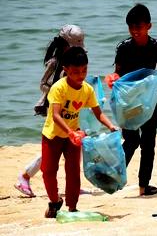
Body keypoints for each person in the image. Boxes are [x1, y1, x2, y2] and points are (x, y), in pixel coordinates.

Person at [41, 46, 118, 218]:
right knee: (48, 171)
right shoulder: (58, 88)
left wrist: (111, 126)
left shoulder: (87, 89)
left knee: (73, 171)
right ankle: (54, 202)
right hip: (53, 134)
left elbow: (98, 113)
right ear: (65, 70)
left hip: (74, 136)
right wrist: (69, 132)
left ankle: (72, 207)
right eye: (76, 72)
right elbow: (55, 115)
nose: (81, 75)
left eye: (84, 70)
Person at [15, 25, 86, 197]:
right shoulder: (54, 63)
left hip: (70, 106)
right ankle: (25, 176)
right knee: (54, 147)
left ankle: (73, 184)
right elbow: (42, 84)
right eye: (73, 47)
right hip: (54, 106)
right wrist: (59, 89)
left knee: (72, 144)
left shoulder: (73, 61)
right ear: (64, 44)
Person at [106, 3, 157, 196]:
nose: (134, 31)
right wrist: (113, 78)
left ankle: (143, 186)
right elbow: (116, 73)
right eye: (131, 27)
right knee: (131, 141)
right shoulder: (123, 47)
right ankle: (113, 177)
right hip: (128, 103)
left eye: (138, 27)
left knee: (149, 143)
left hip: (148, 102)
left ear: (149, 26)